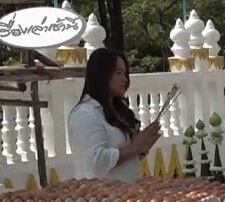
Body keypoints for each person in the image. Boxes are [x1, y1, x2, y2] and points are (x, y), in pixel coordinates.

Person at [68, 48, 161, 179]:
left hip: (130, 189)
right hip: (101, 191)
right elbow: (96, 162)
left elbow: (124, 159)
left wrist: (141, 148)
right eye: (119, 73)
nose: (125, 79)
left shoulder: (118, 111)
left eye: (125, 73)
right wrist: (135, 147)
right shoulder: (85, 114)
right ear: (102, 74)